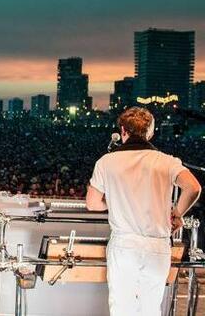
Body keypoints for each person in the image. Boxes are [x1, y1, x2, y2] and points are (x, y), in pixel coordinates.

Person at [86, 107, 201, 316]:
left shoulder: (106, 162)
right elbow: (193, 187)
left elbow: (93, 204)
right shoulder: (166, 161)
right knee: (150, 308)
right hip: (157, 245)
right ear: (150, 132)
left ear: (123, 131)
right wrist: (177, 214)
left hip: (124, 245)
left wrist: (116, 202)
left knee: (122, 308)